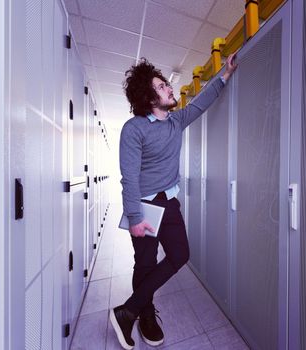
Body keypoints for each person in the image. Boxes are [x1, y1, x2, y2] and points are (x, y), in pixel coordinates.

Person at [110, 52, 238, 349]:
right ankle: (144, 315)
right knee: (144, 264)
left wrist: (225, 75)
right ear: (149, 96)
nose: (169, 88)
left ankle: (128, 310)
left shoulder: (176, 121)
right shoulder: (134, 129)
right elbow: (128, 176)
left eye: (167, 84)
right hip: (144, 206)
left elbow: (201, 103)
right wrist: (134, 217)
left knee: (180, 254)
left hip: (169, 202)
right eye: (162, 86)